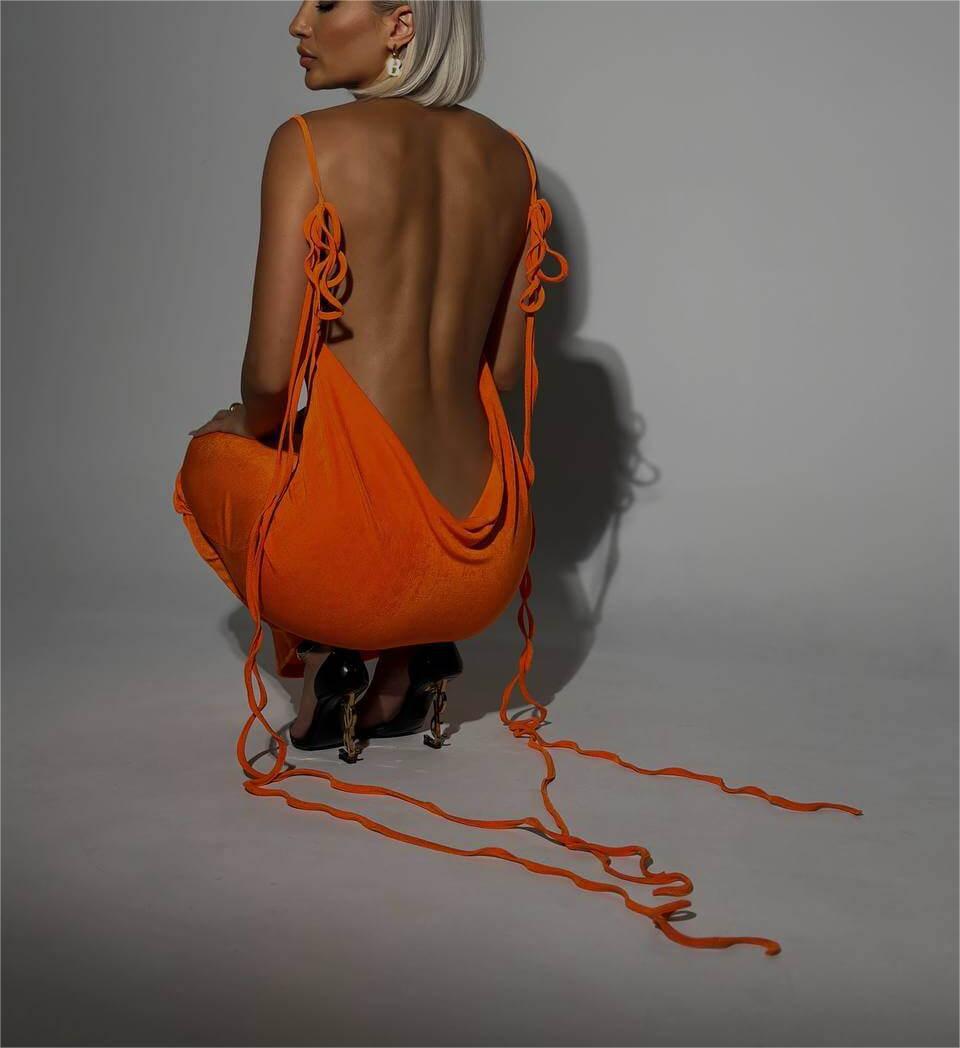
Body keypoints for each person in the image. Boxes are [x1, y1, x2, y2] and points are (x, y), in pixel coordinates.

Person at [172, 0, 861, 954]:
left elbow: (265, 376)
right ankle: (410, 663)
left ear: (403, 22)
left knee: (215, 450)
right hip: (482, 564)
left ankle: (342, 653)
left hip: (348, 562)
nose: (297, 20)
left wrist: (263, 437)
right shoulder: (510, 161)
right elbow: (499, 376)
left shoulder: (306, 143)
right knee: (374, 462)